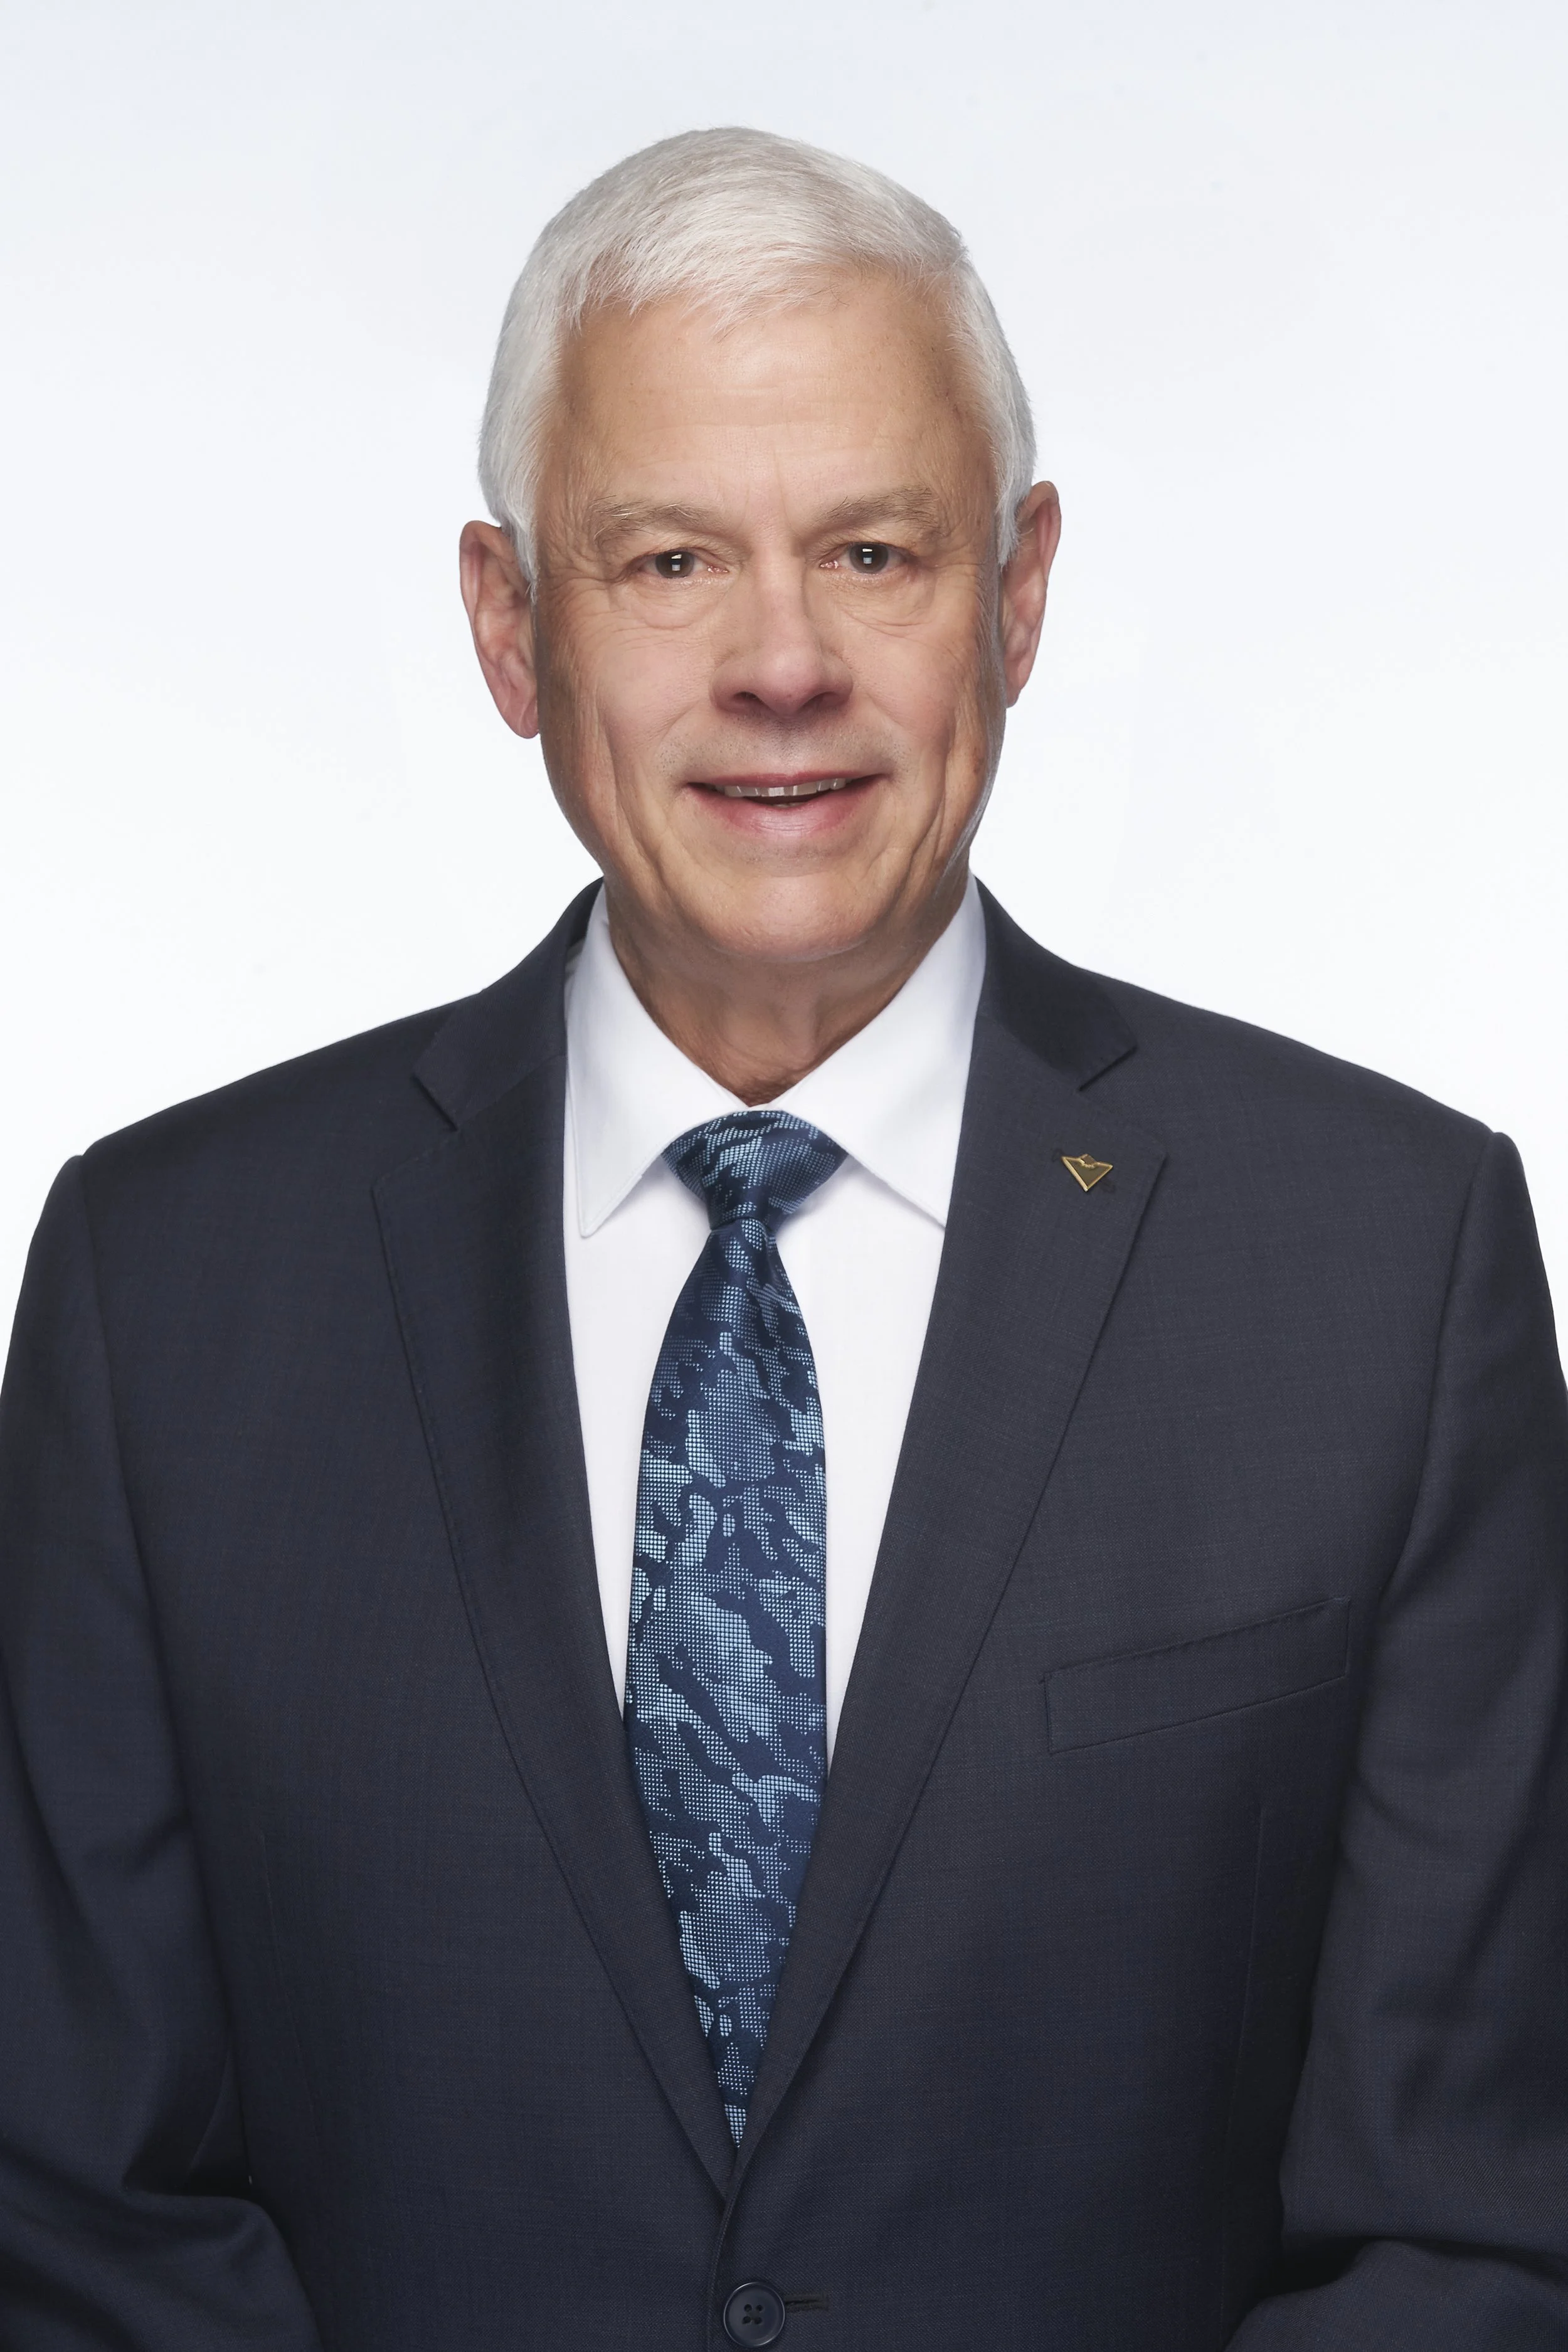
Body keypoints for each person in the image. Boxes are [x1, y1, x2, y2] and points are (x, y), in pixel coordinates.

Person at [1, 124, 1565, 2352]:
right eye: (662, 562)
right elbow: (71, 2205)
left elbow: (1475, 2216)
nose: (780, 663)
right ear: (505, 620)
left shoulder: (1382, 1267)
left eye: (871, 549)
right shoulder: (161, 1291)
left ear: (1015, 594)